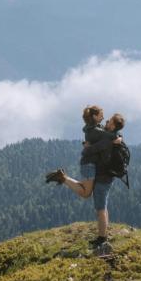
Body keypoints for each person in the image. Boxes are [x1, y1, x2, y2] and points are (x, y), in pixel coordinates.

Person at [45, 106, 125, 247]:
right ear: (94, 117)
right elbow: (104, 140)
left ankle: (102, 236)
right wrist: (114, 139)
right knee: (95, 202)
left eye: (109, 120)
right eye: (102, 115)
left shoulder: (100, 131)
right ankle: (102, 236)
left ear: (113, 125)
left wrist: (113, 139)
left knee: (98, 204)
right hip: (95, 170)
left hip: (101, 174)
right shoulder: (101, 132)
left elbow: (101, 142)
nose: (105, 119)